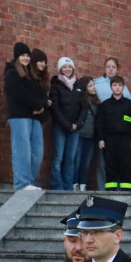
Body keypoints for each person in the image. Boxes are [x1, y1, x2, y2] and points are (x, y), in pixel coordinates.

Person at [3, 42, 48, 191]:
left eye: (27, 55)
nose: (26, 58)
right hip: (19, 117)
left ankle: (31, 182)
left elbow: (42, 95)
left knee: (37, 152)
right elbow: (20, 95)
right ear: (17, 57)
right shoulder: (12, 74)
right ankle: (22, 184)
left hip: (34, 118)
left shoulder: (32, 75)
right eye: (22, 55)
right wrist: (37, 105)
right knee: (22, 151)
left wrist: (40, 105)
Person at [94, 57, 131, 190]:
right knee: (104, 163)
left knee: (123, 164)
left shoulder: (125, 90)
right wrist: (100, 137)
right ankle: (104, 190)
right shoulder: (96, 83)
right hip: (106, 133)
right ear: (105, 68)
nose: (110, 69)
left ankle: (122, 191)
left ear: (117, 69)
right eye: (108, 66)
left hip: (122, 135)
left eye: (113, 67)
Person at [97, 75, 131, 191]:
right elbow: (100, 123)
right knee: (110, 165)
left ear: (123, 87)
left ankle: (126, 192)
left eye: (120, 85)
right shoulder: (105, 105)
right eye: (115, 85)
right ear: (111, 87)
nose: (117, 88)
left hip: (125, 139)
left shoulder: (129, 105)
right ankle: (110, 191)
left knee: (125, 165)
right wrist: (101, 139)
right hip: (109, 139)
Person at [49, 57, 86, 191]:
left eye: (69, 67)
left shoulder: (79, 86)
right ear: (60, 69)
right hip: (60, 126)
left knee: (70, 159)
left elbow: (84, 108)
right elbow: (55, 108)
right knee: (58, 157)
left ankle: (67, 186)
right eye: (64, 67)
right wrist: (66, 124)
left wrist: (77, 124)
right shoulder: (56, 85)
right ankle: (57, 186)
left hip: (75, 128)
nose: (67, 69)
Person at [73, 77, 99, 191]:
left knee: (86, 163)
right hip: (79, 135)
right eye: (90, 86)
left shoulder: (97, 103)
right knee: (76, 162)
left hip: (91, 137)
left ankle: (83, 184)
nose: (93, 88)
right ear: (85, 88)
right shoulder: (80, 100)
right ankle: (74, 184)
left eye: (93, 85)